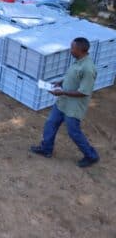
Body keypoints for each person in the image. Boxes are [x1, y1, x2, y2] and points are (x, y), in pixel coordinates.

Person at [30, 37, 100, 168]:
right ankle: (46, 149)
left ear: (80, 50)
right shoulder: (78, 61)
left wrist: (62, 92)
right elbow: (71, 76)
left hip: (73, 108)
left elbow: (84, 92)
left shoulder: (88, 69)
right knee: (51, 123)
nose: (70, 50)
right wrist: (60, 82)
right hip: (63, 103)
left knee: (74, 132)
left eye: (72, 48)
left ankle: (91, 156)